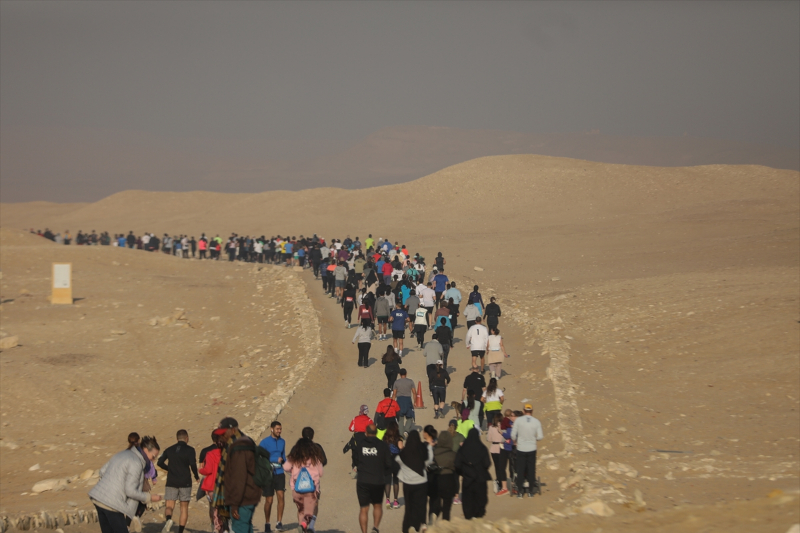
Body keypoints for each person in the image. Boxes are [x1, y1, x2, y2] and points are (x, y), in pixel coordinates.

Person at [89, 436, 163, 533]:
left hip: (98, 497)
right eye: (153, 457)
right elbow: (130, 491)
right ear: (146, 449)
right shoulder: (136, 462)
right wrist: (150, 497)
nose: (153, 460)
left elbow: (102, 471)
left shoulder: (123, 453)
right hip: (112, 503)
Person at [215, 417, 261, 533]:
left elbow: (239, 477)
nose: (221, 436)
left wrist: (235, 503)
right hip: (247, 496)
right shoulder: (240, 442)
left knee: (240, 528)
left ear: (233, 430)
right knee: (246, 528)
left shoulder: (238, 447)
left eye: (223, 433)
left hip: (241, 499)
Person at [157, 430, 199, 533]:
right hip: (185, 481)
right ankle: (180, 531)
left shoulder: (169, 449)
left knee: (169, 506)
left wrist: (169, 469)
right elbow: (193, 464)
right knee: (184, 508)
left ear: (177, 439)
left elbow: (159, 462)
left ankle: (168, 520)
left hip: (171, 481)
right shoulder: (190, 450)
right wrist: (196, 476)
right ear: (187, 438)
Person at [354, 424, 393, 533]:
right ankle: (375, 528)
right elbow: (389, 463)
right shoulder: (383, 445)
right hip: (378, 480)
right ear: (376, 433)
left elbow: (355, 460)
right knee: (377, 505)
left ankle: (364, 532)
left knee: (363, 508)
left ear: (366, 432)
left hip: (363, 480)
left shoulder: (360, 444)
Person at [283, 437, 324, 533]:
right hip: (311, 489)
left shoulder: (294, 458)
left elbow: (285, 467)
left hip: (297, 489)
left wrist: (293, 471)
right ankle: (303, 525)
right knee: (310, 512)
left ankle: (303, 529)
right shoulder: (315, 459)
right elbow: (321, 473)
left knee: (301, 511)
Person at [396, 431, 433, 533]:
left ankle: (408, 527)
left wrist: (402, 449)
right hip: (421, 482)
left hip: (408, 483)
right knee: (421, 504)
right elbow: (429, 461)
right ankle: (420, 525)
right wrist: (430, 447)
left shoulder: (404, 453)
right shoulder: (422, 451)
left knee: (409, 506)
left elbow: (398, 460)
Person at [455, 429, 491, 519]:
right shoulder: (482, 448)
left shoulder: (462, 449)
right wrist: (481, 469)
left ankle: (469, 517)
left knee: (468, 500)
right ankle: (478, 516)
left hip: (467, 479)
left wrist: (464, 472)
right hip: (480, 479)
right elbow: (487, 463)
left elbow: (457, 464)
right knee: (480, 499)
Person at [511, 404, 544, 498]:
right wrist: (533, 439)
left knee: (520, 469)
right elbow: (540, 436)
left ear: (523, 411)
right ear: (532, 411)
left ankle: (520, 492)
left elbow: (513, 435)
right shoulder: (536, 421)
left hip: (521, 448)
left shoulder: (518, 421)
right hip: (532, 448)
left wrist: (516, 441)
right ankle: (530, 492)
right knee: (531, 469)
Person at [259, 421, 286, 532]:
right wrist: (275, 459)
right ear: (271, 429)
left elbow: (283, 456)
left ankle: (279, 523)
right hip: (268, 474)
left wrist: (287, 464)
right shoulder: (264, 442)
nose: (279, 431)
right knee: (269, 500)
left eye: (280, 429)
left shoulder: (282, 441)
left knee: (281, 496)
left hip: (280, 473)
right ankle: (267, 523)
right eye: (277, 429)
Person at [199, 432, 226, 533]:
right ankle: (224, 528)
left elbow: (207, 469)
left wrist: (200, 470)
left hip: (212, 485)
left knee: (213, 507)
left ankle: (215, 526)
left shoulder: (208, 452)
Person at [432, 431, 457, 521]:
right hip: (448, 480)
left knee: (435, 505)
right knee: (446, 508)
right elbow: (456, 469)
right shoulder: (453, 454)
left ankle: (432, 521)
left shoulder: (434, 452)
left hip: (436, 480)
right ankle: (445, 525)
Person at [381, 421, 404, 510]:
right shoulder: (398, 438)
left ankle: (387, 500)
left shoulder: (385, 437)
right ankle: (395, 501)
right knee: (395, 480)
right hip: (396, 460)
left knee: (387, 480)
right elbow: (401, 447)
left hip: (387, 460)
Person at [486, 414, 509, 496]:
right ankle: (503, 484)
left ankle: (499, 483)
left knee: (497, 467)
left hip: (494, 448)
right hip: (502, 447)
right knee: (502, 467)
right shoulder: (504, 427)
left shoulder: (491, 427)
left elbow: (488, 439)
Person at [391, 369, 416, 436]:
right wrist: (415, 402)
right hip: (408, 400)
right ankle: (406, 430)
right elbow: (414, 392)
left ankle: (401, 434)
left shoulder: (396, 382)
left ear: (399, 374)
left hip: (399, 401)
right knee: (410, 417)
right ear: (406, 373)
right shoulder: (410, 381)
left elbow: (394, 394)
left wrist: (392, 403)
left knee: (400, 418)